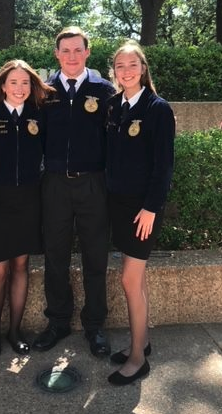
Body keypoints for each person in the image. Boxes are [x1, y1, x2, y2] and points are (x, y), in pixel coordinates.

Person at [32, 27, 115, 357]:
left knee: (96, 256)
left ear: (87, 52)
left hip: (93, 183)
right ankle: (58, 322)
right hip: (54, 184)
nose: (71, 56)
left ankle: (95, 326)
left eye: (77, 50)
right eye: (65, 50)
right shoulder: (44, 92)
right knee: (55, 256)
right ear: (56, 54)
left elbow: (116, 141)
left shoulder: (105, 91)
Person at [106, 40, 175, 385]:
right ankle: (142, 342)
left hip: (143, 210)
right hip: (118, 206)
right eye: (120, 66)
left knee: (129, 279)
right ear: (114, 72)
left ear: (143, 68)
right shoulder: (114, 105)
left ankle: (137, 359)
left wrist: (151, 207)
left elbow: (163, 167)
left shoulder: (157, 108)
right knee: (137, 278)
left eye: (132, 65)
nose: (126, 71)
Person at [0, 60, 54, 357]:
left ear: (31, 86)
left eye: (25, 83)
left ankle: (15, 331)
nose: (19, 89)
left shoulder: (39, 114)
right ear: (3, 85)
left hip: (28, 200)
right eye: (13, 83)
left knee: (21, 266)